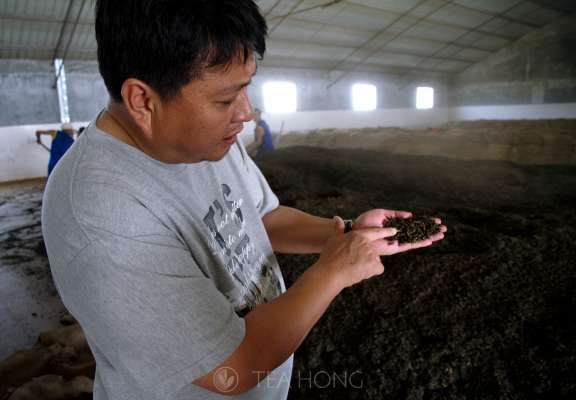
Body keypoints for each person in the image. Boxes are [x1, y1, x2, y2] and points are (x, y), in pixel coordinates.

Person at [41, 1, 446, 399]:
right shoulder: (100, 213)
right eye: (224, 99)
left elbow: (263, 217)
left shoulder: (206, 139)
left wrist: (346, 234)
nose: (247, 113)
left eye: (246, 89)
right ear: (143, 101)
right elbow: (232, 368)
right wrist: (335, 271)